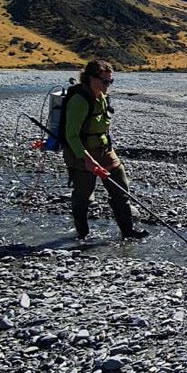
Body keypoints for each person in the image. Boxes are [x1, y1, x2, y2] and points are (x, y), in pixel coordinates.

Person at [62, 60, 148, 240]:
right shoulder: (79, 101)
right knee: (83, 195)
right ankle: (82, 233)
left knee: (121, 188)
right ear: (91, 79)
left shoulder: (101, 96)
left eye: (111, 81)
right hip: (81, 153)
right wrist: (87, 159)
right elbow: (71, 135)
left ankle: (128, 232)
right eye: (105, 81)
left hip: (104, 150)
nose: (108, 85)